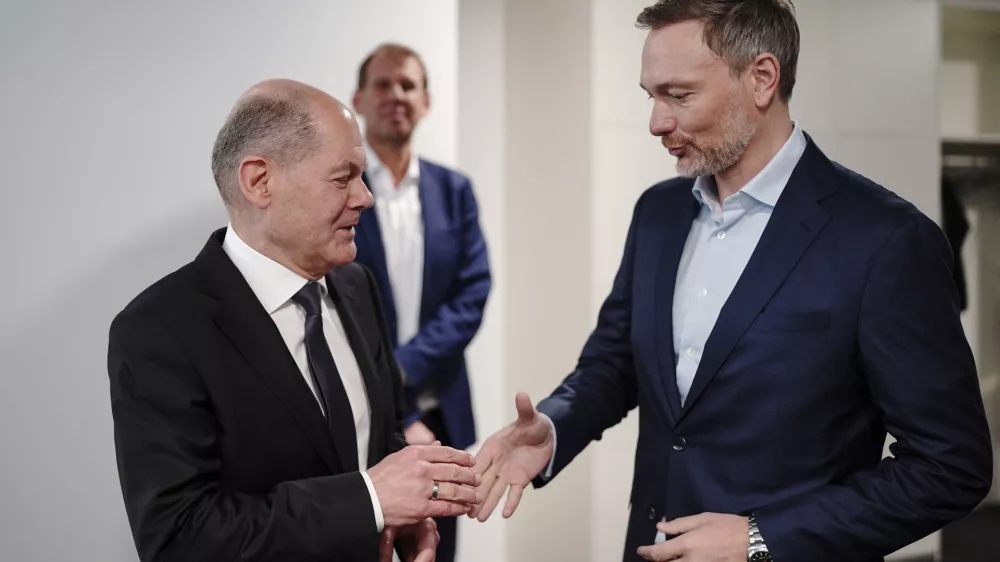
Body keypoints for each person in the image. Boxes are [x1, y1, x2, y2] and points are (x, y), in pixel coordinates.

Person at [469, 2, 995, 562]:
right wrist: (554, 427)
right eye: (651, 95)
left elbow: (950, 467)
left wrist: (761, 539)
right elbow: (617, 361)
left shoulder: (886, 240)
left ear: (762, 79)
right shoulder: (658, 212)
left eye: (679, 95)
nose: (656, 122)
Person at [107, 79, 482, 562]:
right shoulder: (160, 330)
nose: (365, 197)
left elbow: (379, 440)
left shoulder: (357, 288)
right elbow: (180, 537)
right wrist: (370, 501)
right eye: (342, 177)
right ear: (260, 181)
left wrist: (409, 518)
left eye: (362, 176)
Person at [352, 43, 492, 562]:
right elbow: (334, 299)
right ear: (359, 100)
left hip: (442, 414)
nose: (396, 95)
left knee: (438, 551)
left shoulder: (454, 190)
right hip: (362, 415)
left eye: (408, 85)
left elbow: (473, 293)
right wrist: (392, 393)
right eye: (383, 84)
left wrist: (402, 368)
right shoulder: (342, 191)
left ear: (426, 101)